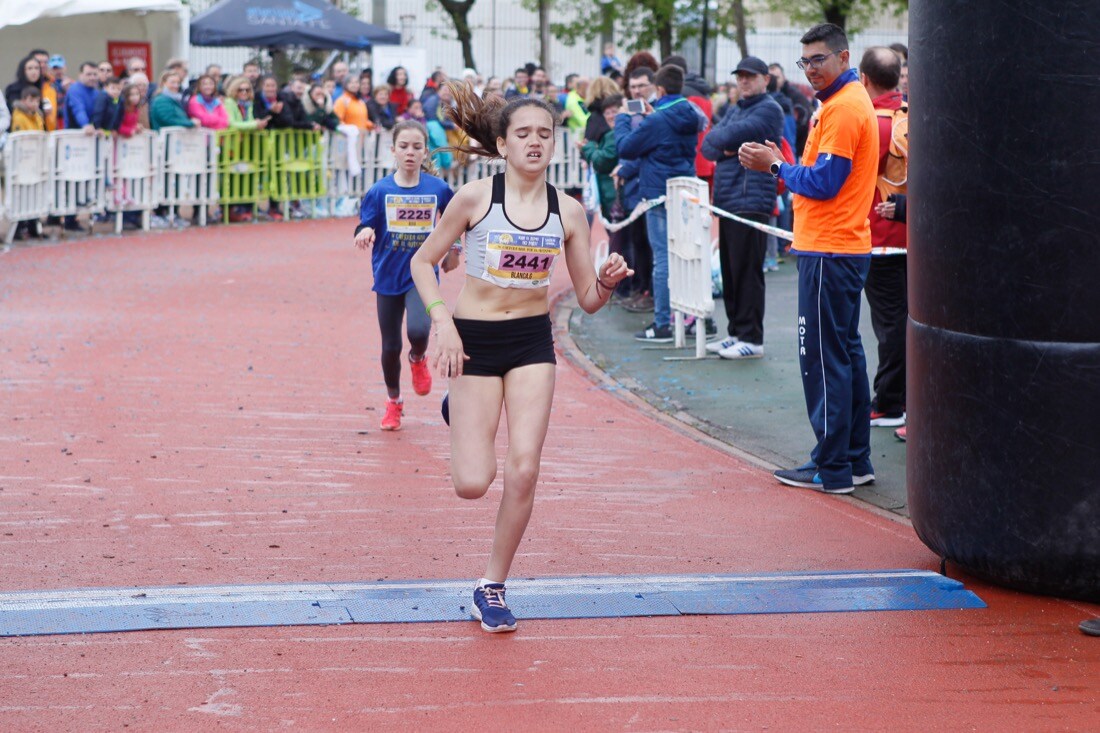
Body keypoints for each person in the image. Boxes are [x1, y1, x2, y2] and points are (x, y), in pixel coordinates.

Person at [408, 84, 632, 633]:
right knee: (472, 483)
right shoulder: (474, 199)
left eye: (544, 134)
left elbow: (586, 301)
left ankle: (492, 585)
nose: (534, 143)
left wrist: (605, 284)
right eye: (523, 134)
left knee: (525, 468)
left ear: (555, 144)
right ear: (503, 144)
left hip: (532, 342)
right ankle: (456, 409)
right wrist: (443, 324)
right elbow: (422, 262)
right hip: (474, 341)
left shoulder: (571, 212)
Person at [739, 22, 878, 495]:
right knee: (845, 355)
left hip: (830, 247)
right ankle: (853, 461)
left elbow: (824, 183)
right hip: (840, 245)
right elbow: (822, 176)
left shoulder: (841, 109)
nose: (811, 69)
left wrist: (775, 165)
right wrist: (787, 164)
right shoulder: (841, 103)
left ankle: (832, 467)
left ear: (843, 57)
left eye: (818, 60)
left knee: (823, 359)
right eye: (805, 62)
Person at [354, 120, 460, 430]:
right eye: (403, 147)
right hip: (387, 275)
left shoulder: (438, 189)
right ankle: (394, 402)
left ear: (425, 152)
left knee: (417, 330)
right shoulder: (380, 190)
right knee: (389, 347)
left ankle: (418, 358)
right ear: (393, 151)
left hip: (420, 276)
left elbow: (456, 221)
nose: (410, 153)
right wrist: (365, 232)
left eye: (416, 147)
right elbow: (365, 222)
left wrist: (454, 250)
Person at [615, 64, 706, 343]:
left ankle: (662, 322)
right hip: (684, 189)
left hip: (658, 193)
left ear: (660, 88)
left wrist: (622, 118)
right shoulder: (690, 113)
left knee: (663, 259)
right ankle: (696, 319)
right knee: (689, 254)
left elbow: (626, 147)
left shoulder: (656, 120)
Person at [701, 56, 784, 360]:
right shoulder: (735, 109)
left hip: (752, 200)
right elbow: (709, 143)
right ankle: (736, 331)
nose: (744, 81)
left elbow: (721, 139)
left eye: (750, 76)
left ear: (765, 79)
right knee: (731, 270)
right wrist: (729, 149)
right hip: (730, 200)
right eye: (740, 77)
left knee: (747, 271)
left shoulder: (769, 110)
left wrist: (725, 148)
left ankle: (752, 337)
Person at [859, 47, 909, 430]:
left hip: (878, 236)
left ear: (864, 78)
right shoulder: (913, 116)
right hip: (914, 235)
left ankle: (891, 402)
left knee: (889, 325)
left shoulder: (869, 123)